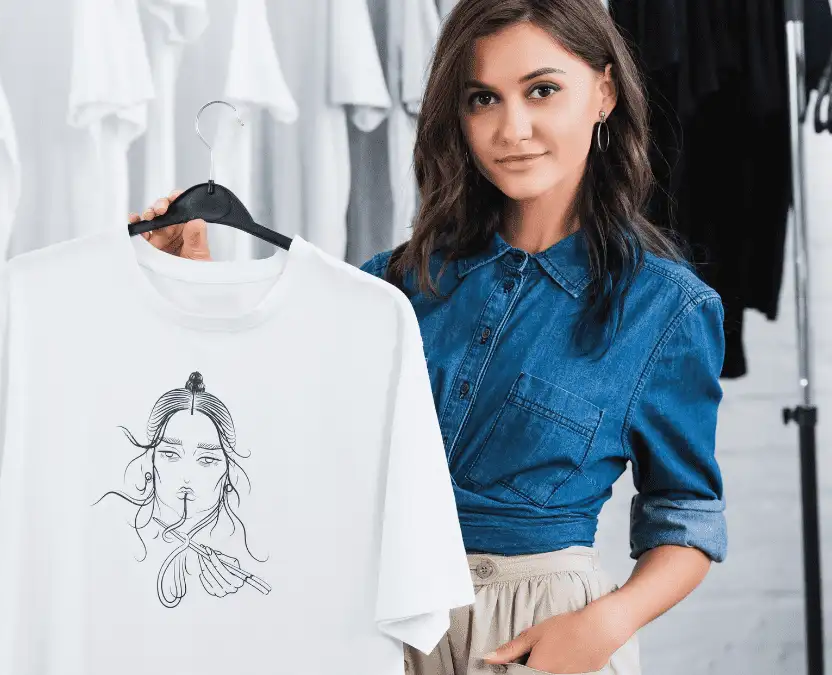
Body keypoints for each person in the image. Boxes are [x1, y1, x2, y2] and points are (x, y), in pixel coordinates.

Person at [131, 0, 726, 673]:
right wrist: (198, 282)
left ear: (604, 93)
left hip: (542, 634)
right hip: (378, 625)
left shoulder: (666, 308)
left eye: (542, 90)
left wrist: (603, 622)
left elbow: (686, 515)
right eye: (483, 99)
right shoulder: (393, 285)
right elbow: (270, 415)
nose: (513, 128)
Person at [95, 371, 270, 609]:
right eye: (170, 454)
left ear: (229, 471)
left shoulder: (252, 546)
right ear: (150, 460)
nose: (187, 477)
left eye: (207, 460)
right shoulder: (109, 531)